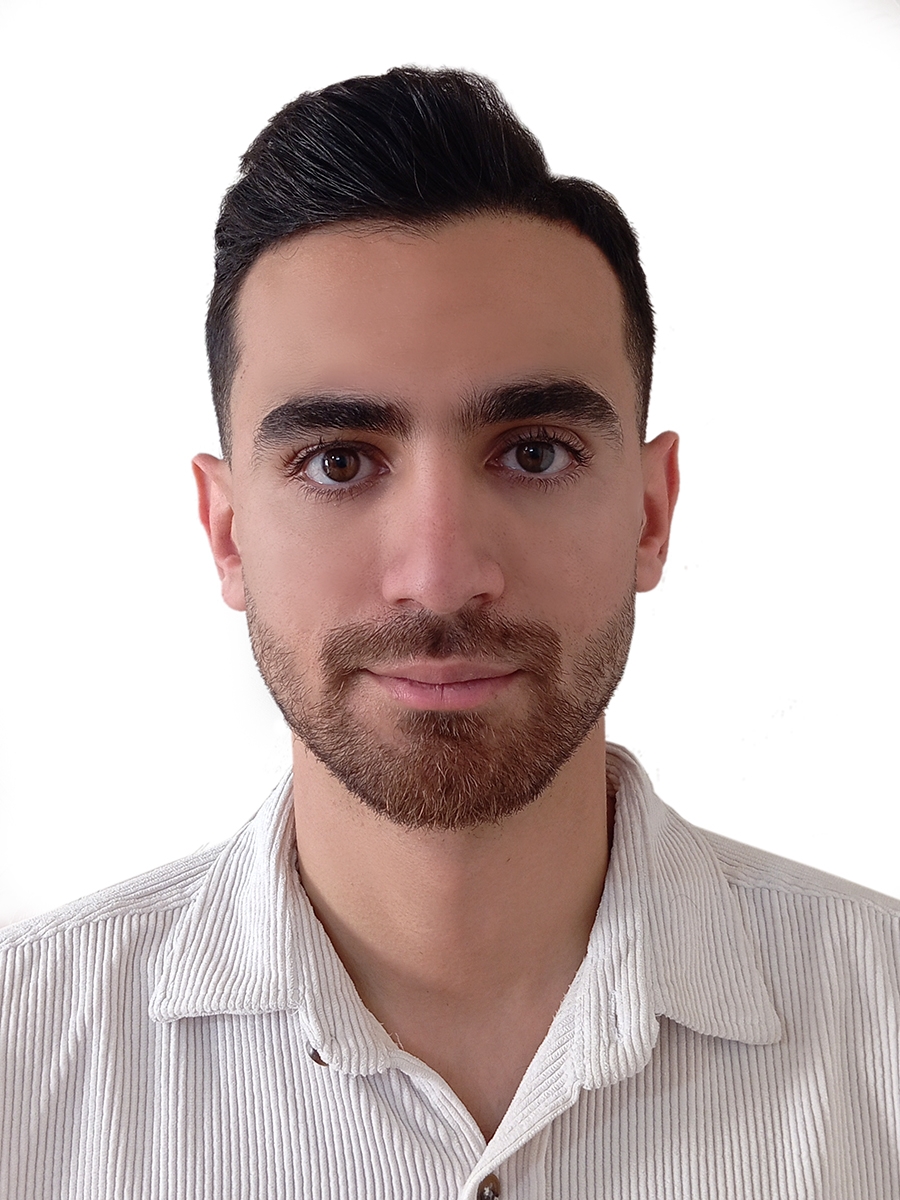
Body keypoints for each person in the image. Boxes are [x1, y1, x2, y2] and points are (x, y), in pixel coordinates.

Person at [1, 66, 897, 1200]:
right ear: (227, 533)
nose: (438, 576)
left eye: (534, 452)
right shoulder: (24, 1058)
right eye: (338, 461)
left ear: (651, 513)